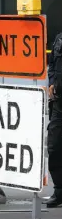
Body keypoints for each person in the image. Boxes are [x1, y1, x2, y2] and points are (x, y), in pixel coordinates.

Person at [47, 32, 62, 208]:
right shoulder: (59, 38)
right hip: (59, 104)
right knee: (55, 147)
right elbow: (51, 64)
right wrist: (51, 81)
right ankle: (59, 191)